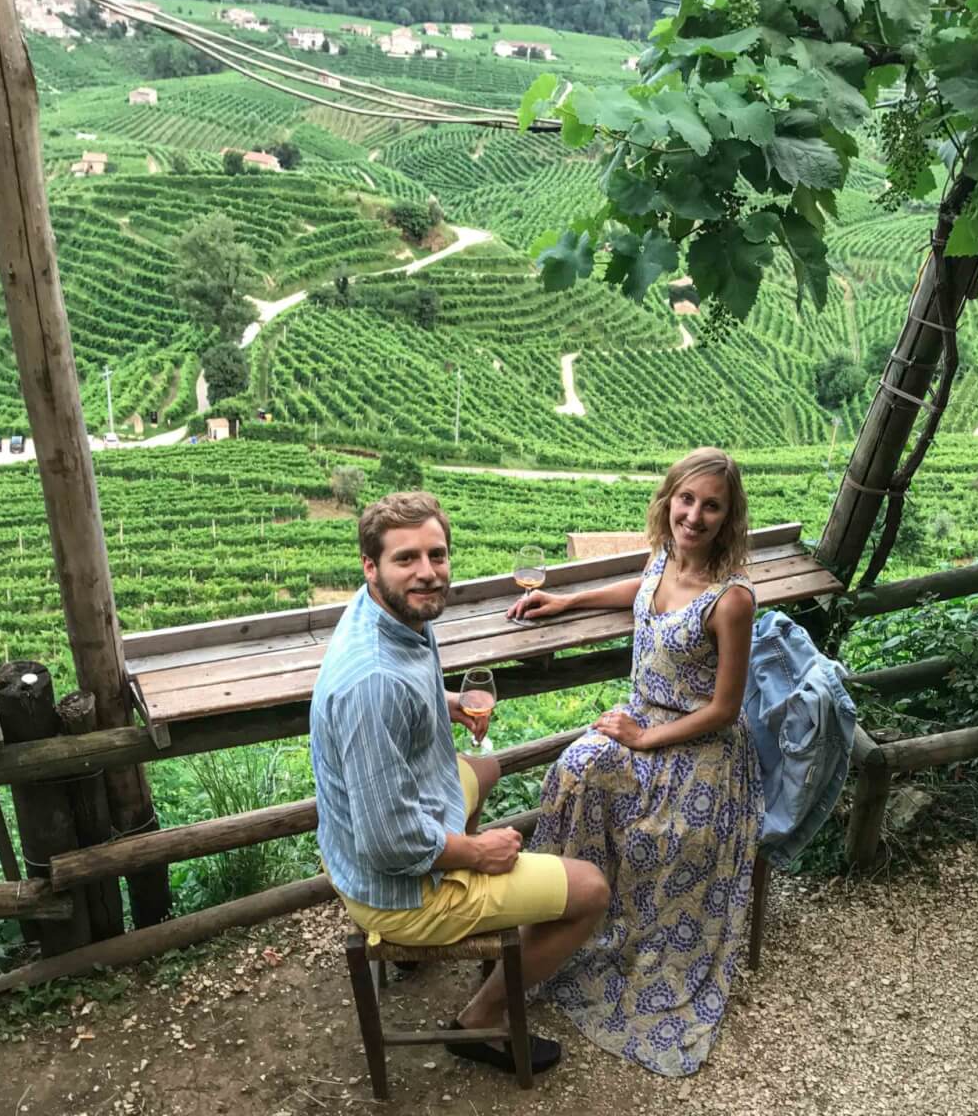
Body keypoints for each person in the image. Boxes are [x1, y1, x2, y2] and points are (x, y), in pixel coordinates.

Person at [310, 491, 610, 1077]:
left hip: (382, 836)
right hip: (392, 888)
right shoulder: (373, 684)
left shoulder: (390, 612)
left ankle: (460, 912)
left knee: (487, 768)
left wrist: (444, 702)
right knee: (593, 890)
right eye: (406, 559)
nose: (427, 572)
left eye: (437, 554)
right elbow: (387, 843)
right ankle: (478, 1021)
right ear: (371, 566)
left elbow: (402, 697)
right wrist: (477, 852)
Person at [511, 447, 761, 1077]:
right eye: (686, 499)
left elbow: (726, 709)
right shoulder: (663, 560)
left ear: (728, 518)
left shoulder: (732, 600)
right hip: (641, 724)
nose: (695, 515)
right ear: (668, 500)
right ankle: (547, 922)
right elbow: (643, 590)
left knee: (653, 828)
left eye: (711, 506)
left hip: (699, 751)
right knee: (574, 770)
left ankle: (599, 925)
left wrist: (648, 740)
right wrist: (568, 601)